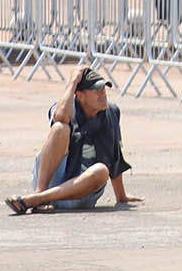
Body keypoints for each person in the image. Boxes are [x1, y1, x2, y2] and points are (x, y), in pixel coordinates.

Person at [7, 65, 138, 215]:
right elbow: (61, 117)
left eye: (103, 89)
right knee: (60, 129)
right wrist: (72, 83)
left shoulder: (111, 112)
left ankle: (38, 199)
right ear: (80, 95)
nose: (102, 94)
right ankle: (39, 194)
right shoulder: (65, 108)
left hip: (81, 191)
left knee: (101, 170)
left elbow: (115, 156)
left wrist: (121, 197)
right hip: (54, 180)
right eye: (96, 90)